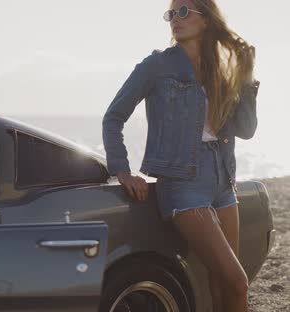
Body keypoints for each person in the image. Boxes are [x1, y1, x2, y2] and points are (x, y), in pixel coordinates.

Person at [101, 0, 260, 311]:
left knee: (221, 284)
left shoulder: (222, 68)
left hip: (224, 177)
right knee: (238, 282)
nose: (175, 19)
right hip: (183, 182)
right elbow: (113, 116)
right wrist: (122, 170)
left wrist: (246, 77)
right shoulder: (157, 65)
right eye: (170, 14)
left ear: (206, 18)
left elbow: (246, 130)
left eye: (183, 11)